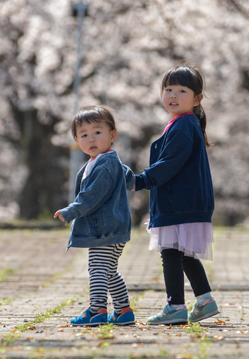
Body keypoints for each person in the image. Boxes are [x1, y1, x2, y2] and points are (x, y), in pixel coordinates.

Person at [133, 62, 219, 325]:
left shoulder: (183, 125)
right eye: (168, 89)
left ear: (197, 99)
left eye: (182, 90)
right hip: (187, 201)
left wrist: (142, 180)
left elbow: (169, 163)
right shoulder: (183, 124)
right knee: (185, 253)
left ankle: (175, 306)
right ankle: (204, 300)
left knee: (171, 252)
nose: (173, 95)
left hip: (178, 201)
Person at [54, 105, 135, 326]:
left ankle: (97, 309)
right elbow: (128, 178)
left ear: (112, 135)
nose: (91, 138)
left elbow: (91, 197)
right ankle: (123, 310)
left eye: (97, 132)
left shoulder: (104, 165)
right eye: (84, 135)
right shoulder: (104, 161)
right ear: (76, 140)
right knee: (109, 271)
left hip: (103, 228)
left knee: (97, 268)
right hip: (115, 227)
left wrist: (71, 211)